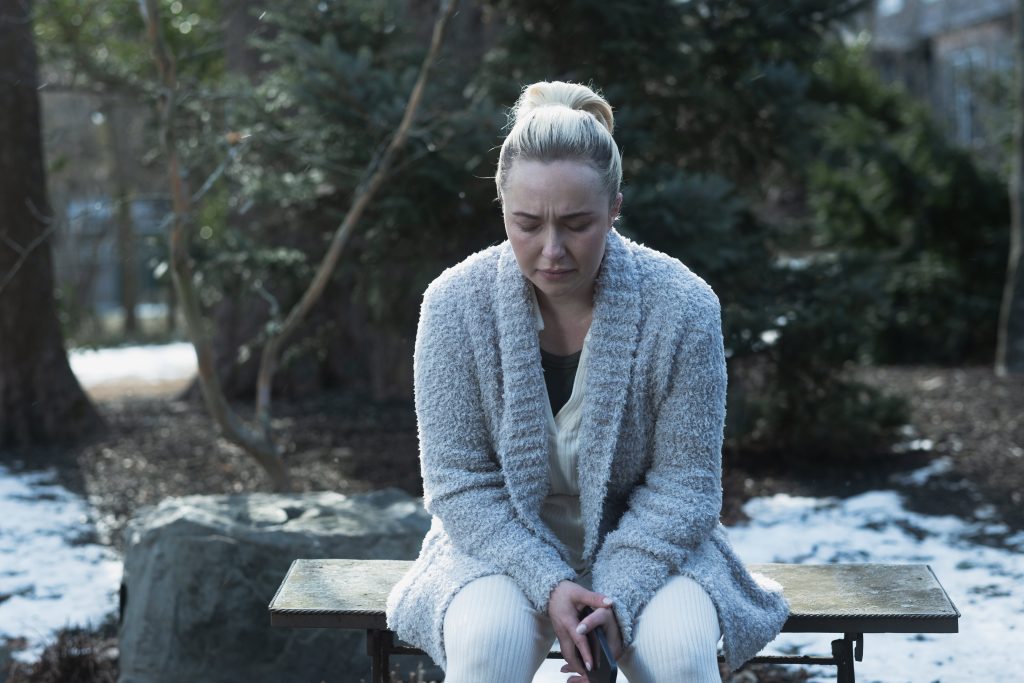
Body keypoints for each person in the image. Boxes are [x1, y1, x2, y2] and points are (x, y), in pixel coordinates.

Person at [386, 81, 789, 683]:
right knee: (485, 652)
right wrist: (551, 583)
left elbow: (685, 487)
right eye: (527, 223)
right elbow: (459, 484)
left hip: (653, 548)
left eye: (577, 224)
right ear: (501, 207)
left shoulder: (682, 307)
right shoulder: (452, 306)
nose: (551, 250)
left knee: (681, 659)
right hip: (499, 546)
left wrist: (614, 598)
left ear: (616, 208)